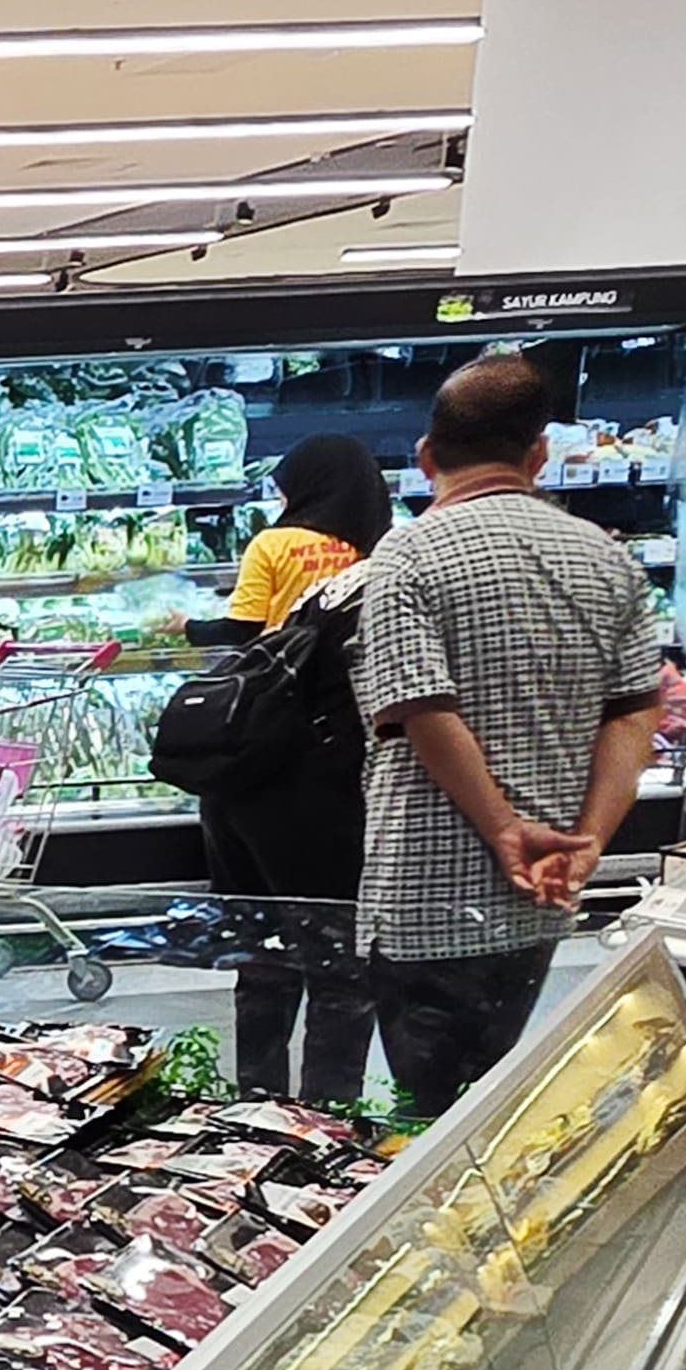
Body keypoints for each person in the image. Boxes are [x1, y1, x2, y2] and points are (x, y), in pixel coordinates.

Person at [349, 351, 669, 1115]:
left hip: (426, 891)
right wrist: (588, 841)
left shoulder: (410, 552)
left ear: (427, 455)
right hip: (543, 888)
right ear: (538, 454)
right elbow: (635, 712)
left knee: (424, 1111)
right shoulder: (607, 559)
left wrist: (502, 830)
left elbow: (423, 707)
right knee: (493, 1098)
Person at [195, 432, 391, 1102]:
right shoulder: (384, 557)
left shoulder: (273, 544)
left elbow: (242, 632)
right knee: (338, 955)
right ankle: (328, 1115)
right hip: (326, 771)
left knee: (259, 946)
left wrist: (186, 628)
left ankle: (258, 1106)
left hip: (244, 767)